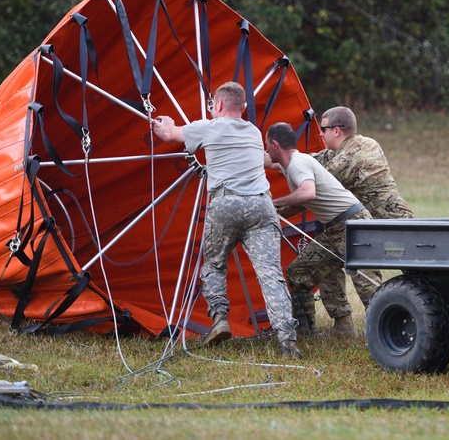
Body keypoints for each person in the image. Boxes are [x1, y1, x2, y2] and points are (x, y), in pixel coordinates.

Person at [151, 82, 301, 359]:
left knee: (215, 264)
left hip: (225, 204)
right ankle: (288, 340)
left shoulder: (208, 127)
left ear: (217, 105)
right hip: (261, 205)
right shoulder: (255, 133)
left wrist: (162, 121)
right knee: (271, 275)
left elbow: (168, 135)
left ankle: (220, 317)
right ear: (243, 108)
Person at [264, 122, 382, 340]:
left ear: (274, 145)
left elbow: (307, 194)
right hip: (335, 229)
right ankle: (309, 332)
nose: (265, 151)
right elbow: (268, 164)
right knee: (298, 274)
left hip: (352, 224)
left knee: (368, 286)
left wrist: (274, 202)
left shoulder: (298, 164)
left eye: (266, 146)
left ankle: (385, 332)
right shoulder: (291, 164)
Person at [311, 106, 414, 337]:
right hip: (398, 222)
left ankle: (389, 329)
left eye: (323, 129)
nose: (320, 134)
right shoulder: (368, 143)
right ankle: (357, 326)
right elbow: (322, 158)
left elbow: (316, 183)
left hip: (388, 227)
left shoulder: (348, 158)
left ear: (336, 130)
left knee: (368, 278)